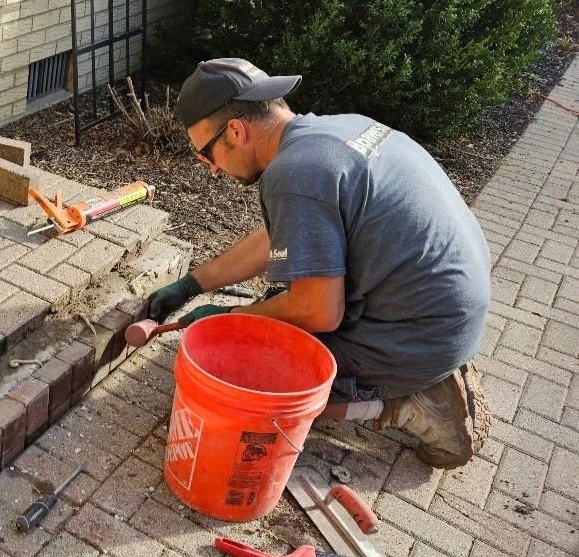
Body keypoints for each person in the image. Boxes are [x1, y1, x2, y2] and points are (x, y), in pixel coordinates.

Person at [150, 57, 492, 469]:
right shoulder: (338, 130)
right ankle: (420, 369)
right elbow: (285, 238)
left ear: (236, 131)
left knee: (244, 389)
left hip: (417, 338)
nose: (213, 170)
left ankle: (408, 405)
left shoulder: (296, 174)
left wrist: (229, 320)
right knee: (274, 309)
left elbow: (318, 311)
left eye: (207, 155)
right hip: (445, 313)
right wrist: (191, 284)